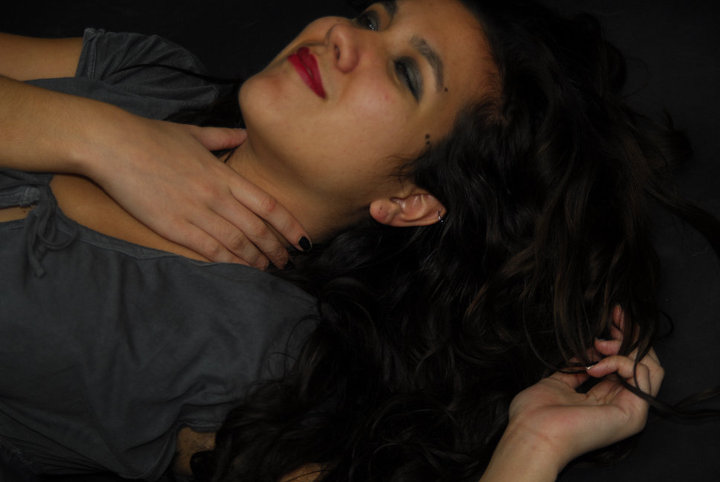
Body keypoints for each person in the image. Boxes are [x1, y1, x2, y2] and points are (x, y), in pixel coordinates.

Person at [0, 0, 713, 480]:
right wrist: (101, 137)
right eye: (374, 17)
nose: (342, 34)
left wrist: (532, 447)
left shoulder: (262, 364)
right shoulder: (152, 76)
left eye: (406, 72)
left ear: (410, 201)